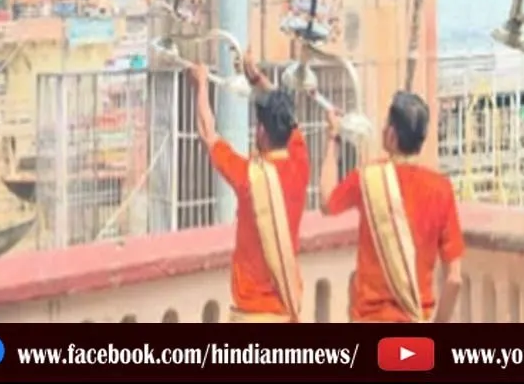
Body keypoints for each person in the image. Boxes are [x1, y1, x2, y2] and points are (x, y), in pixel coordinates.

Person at [319, 91, 464, 323]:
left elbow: (327, 201)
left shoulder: (368, 178)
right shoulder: (441, 189)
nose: (383, 129)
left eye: (386, 124)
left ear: (393, 136)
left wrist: (333, 138)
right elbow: (454, 279)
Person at [190, 54, 308, 323]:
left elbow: (208, 133)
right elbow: (287, 116)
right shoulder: (300, 162)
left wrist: (201, 86)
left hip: (250, 314)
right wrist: (256, 79)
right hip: (286, 313)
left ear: (261, 132)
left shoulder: (248, 177)